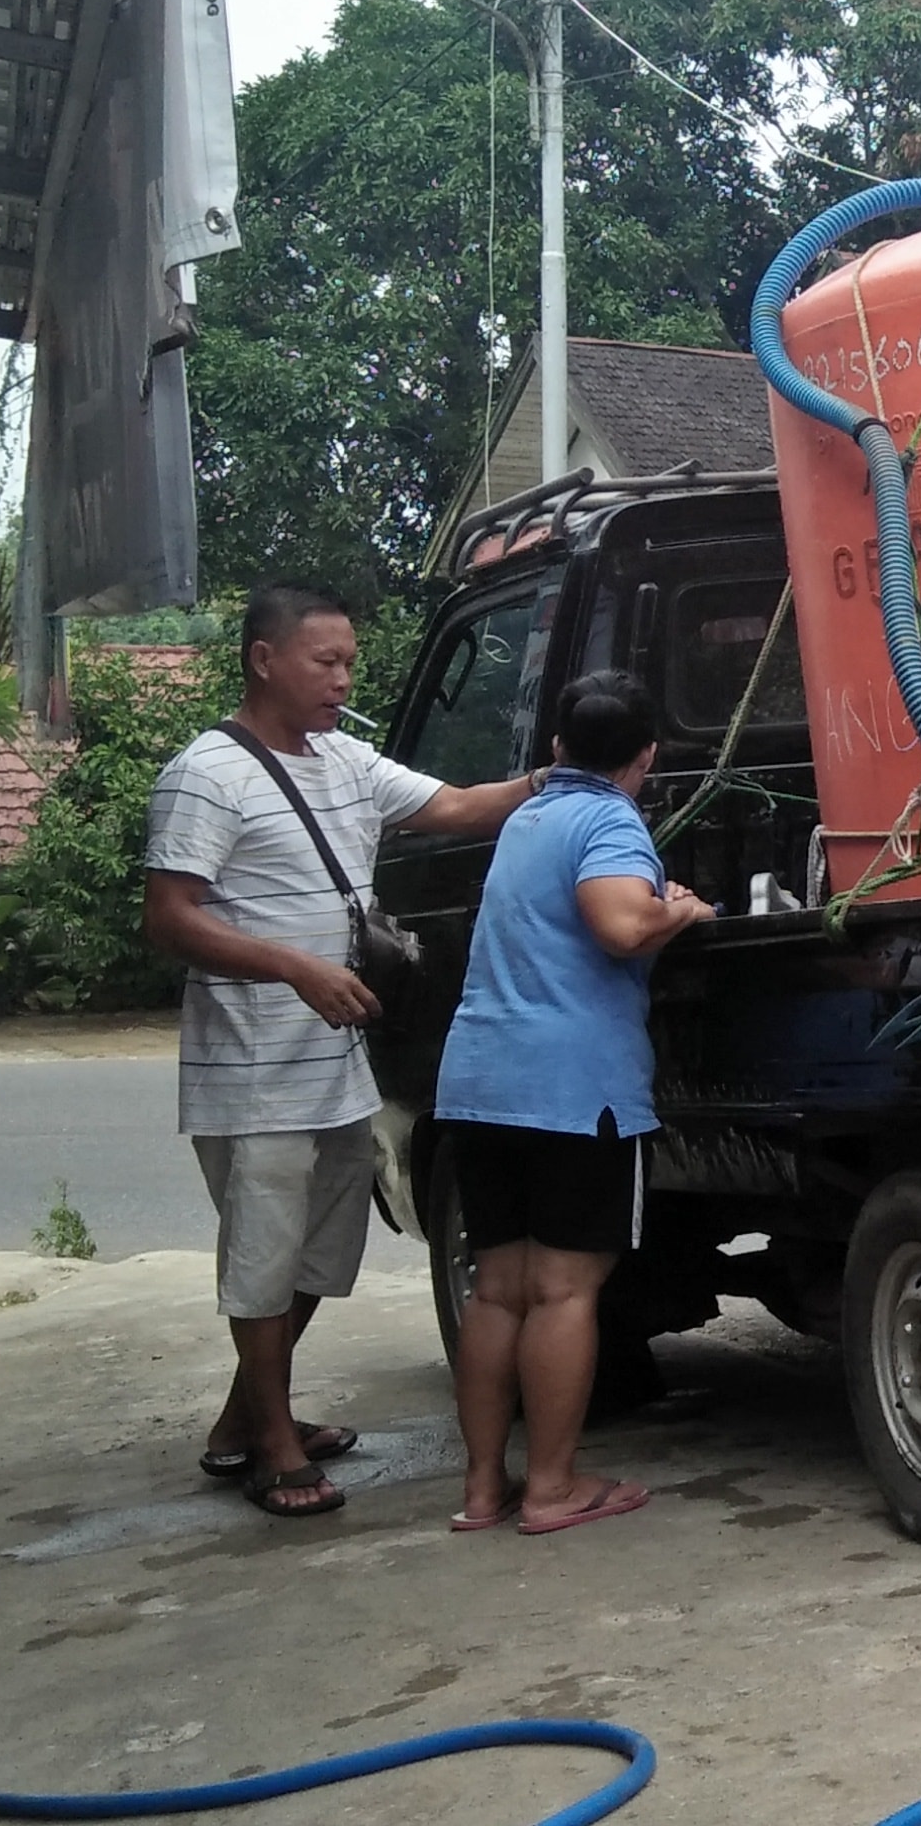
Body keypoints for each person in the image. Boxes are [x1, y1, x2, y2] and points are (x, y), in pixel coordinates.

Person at [144, 585, 541, 1517]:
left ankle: (246, 1416)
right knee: (262, 1255)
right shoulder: (206, 774)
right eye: (325, 661)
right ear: (264, 659)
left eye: (350, 662)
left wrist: (563, 776)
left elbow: (455, 806)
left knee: (319, 1254)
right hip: (250, 1069)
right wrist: (291, 967)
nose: (343, 679)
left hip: (335, 1063)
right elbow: (169, 917)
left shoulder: (346, 760)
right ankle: (275, 1445)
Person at [440, 671, 712, 1535]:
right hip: (572, 1090)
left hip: (482, 1080)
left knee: (498, 1291)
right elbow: (620, 926)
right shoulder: (607, 819)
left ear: (556, 749)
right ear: (647, 757)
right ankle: (552, 1487)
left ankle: (484, 1490)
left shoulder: (525, 817)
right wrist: (681, 912)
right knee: (563, 1291)